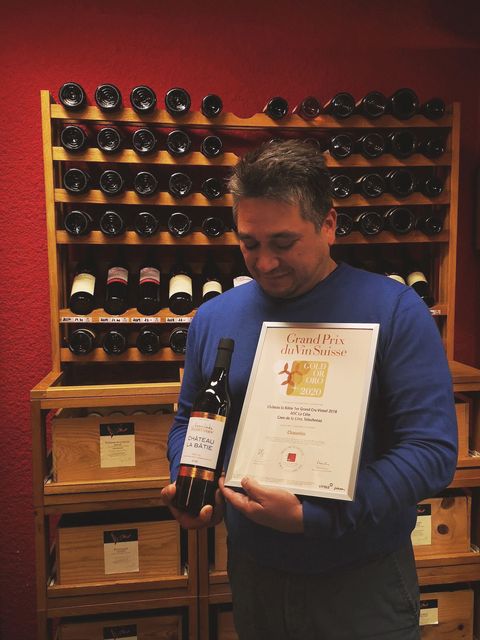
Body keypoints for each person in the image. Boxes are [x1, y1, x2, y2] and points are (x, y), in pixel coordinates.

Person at [162, 139, 457, 640]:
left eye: (283, 243)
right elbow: (191, 422)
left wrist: (321, 516)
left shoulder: (395, 310)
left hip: (362, 583)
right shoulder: (214, 318)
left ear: (328, 224)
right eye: (250, 243)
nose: (264, 262)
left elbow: (431, 452)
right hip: (254, 574)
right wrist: (191, 481)